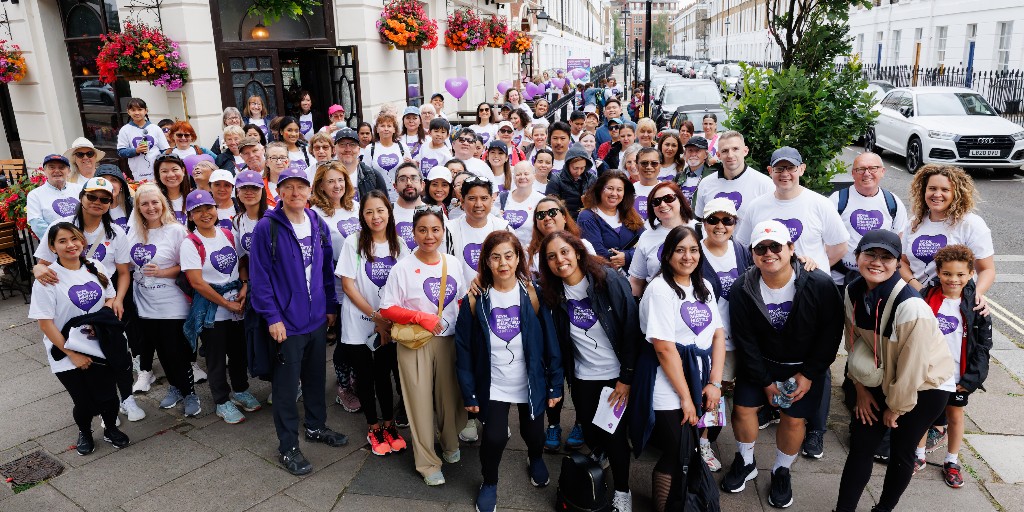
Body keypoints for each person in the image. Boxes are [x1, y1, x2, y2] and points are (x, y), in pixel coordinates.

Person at [721, 220, 843, 508]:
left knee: (793, 419)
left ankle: (781, 469)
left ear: (791, 249)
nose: (768, 253)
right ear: (752, 254)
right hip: (760, 364)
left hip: (803, 367)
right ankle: (746, 460)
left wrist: (810, 374)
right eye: (760, 248)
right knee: (742, 410)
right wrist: (764, 382)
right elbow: (745, 339)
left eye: (775, 246)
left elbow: (831, 333)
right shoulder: (742, 288)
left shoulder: (820, 284)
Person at [834, 230, 954, 512]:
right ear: (857, 257)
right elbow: (853, 344)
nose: (877, 262)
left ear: (898, 262)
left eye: (886, 257)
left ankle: (883, 509)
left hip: (925, 385)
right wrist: (860, 389)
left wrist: (896, 408)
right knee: (861, 446)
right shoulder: (852, 291)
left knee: (901, 450)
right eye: (870, 254)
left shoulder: (912, 307)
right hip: (884, 371)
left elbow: (913, 369)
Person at [249, 167, 350, 475]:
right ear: (279, 192)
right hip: (287, 323)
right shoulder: (268, 228)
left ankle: (316, 426)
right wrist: (273, 317)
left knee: (316, 377)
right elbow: (260, 278)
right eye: (288, 187)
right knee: (286, 386)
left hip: (316, 318)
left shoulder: (316, 222)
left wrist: (330, 305)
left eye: (300, 187)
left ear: (309, 191)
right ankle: (288, 446)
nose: (295, 193)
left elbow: (324, 269)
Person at [455, 231, 563, 512]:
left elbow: (551, 341)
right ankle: (489, 481)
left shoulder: (533, 294)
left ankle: (535, 458)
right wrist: (470, 392)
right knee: (494, 438)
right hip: (493, 383)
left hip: (529, 380)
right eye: (495, 257)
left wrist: (555, 384)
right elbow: (463, 349)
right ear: (486, 262)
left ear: (518, 258)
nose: (503, 263)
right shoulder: (475, 299)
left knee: (535, 434)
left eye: (509, 255)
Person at [537, 231, 639, 512]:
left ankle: (622, 491)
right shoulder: (553, 293)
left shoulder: (609, 281)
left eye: (565, 252)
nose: (560, 260)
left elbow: (632, 332)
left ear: (578, 252)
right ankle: (602, 457)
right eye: (552, 256)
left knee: (615, 436)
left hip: (615, 374)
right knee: (592, 434)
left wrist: (626, 378)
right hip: (582, 376)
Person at [631, 225, 725, 512]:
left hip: (697, 376)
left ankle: (674, 502)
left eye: (694, 249)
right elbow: (664, 348)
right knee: (677, 447)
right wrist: (686, 398)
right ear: (667, 254)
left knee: (684, 449)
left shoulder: (704, 287)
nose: (688, 256)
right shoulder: (660, 290)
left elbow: (718, 334)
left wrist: (715, 383)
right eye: (680, 250)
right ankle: (667, 505)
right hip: (666, 381)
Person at [33, 177, 140, 421]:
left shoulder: (116, 232)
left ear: (110, 204)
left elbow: (123, 272)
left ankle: (127, 398)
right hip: (72, 303)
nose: (97, 202)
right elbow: (42, 264)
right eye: (91, 196)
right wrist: (37, 269)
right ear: (81, 197)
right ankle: (105, 408)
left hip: (105, 300)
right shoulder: (63, 226)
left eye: (104, 199)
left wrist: (118, 299)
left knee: (119, 355)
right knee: (90, 360)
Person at [379, 205, 469, 486]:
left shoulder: (452, 263)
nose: (429, 236)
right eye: (422, 230)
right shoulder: (402, 268)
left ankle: (450, 442)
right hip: (415, 343)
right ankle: (427, 462)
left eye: (435, 229)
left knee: (450, 398)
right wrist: (420, 317)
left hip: (450, 340)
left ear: (443, 231)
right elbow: (387, 308)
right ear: (413, 233)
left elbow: (462, 299)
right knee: (418, 403)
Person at [29, 222, 130, 456]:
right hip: (64, 351)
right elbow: (45, 323)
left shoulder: (95, 266)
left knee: (107, 397)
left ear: (82, 242)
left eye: (74, 239)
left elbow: (110, 298)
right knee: (84, 402)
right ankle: (85, 431)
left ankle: (111, 428)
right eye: (62, 241)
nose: (70, 245)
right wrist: (72, 354)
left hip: (98, 346)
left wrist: (99, 323)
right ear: (52, 247)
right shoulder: (48, 278)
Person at [336, 190, 410, 456]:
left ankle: (389, 425)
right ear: (362, 215)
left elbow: (404, 287)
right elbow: (348, 285)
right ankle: (373, 426)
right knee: (365, 376)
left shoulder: (399, 245)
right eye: (369, 212)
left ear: (389, 213)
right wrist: (375, 316)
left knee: (384, 374)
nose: (375, 217)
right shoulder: (353, 242)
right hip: (359, 323)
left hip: (389, 325)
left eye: (380, 210)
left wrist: (387, 320)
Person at [916, 245, 992, 488]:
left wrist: (971, 379)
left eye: (960, 274)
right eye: (947, 273)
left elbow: (983, 346)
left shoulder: (977, 306)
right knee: (923, 415)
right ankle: (918, 456)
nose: (953, 279)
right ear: (938, 272)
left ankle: (952, 461)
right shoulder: (925, 299)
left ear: (971, 274)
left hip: (959, 374)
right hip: (929, 372)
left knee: (955, 416)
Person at [179, 189, 257, 425]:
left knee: (238, 352)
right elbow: (197, 282)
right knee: (215, 356)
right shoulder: (191, 243)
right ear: (190, 215)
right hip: (213, 309)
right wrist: (226, 303)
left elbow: (242, 263)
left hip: (238, 304)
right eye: (198, 211)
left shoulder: (227, 233)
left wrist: (244, 286)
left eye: (209, 208)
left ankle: (241, 389)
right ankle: (222, 400)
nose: (205, 214)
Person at [128, 184, 200, 417]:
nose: (151, 208)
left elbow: (187, 265)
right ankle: (175, 387)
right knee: (161, 350)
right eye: (145, 203)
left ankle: (190, 393)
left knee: (175, 350)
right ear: (138, 207)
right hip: (145, 304)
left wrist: (162, 272)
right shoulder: (133, 232)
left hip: (172, 302)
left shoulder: (176, 231)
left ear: (163, 204)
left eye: (155, 202)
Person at [695, 197, 754, 470]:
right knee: (705, 391)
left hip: (737, 337)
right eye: (713, 220)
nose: (720, 226)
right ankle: (698, 443)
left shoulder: (742, 251)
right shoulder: (694, 253)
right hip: (705, 338)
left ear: (735, 223)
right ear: (703, 223)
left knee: (720, 394)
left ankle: (705, 440)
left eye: (727, 220)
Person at [735, 146, 848, 272]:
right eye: (779, 169)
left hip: (811, 287)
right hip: (770, 286)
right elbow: (743, 246)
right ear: (770, 171)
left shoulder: (821, 204)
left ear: (801, 169)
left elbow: (840, 246)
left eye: (791, 168)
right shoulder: (756, 206)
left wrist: (816, 268)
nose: (785, 174)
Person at [901, 164, 994, 305]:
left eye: (945, 190)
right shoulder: (914, 223)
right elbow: (902, 262)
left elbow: (986, 269)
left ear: (956, 194)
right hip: (916, 300)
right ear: (923, 191)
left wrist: (976, 295)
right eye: (932, 188)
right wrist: (918, 289)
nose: (937, 194)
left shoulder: (971, 224)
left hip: (955, 303)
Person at [310, 161, 362, 411]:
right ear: (320, 184)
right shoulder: (315, 215)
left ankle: (356, 377)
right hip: (337, 288)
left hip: (362, 285)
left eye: (340, 179)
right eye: (330, 180)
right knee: (343, 339)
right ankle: (343, 386)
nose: (336, 185)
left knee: (360, 338)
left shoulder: (357, 209)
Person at [628, 182, 696, 296]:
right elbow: (636, 281)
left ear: (680, 200)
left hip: (695, 302)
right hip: (657, 302)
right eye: (656, 202)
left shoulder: (700, 229)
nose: (663, 205)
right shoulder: (647, 236)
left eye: (669, 198)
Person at [691, 131, 774, 219]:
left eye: (735, 149)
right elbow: (700, 220)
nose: (730, 155)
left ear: (745, 151)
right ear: (718, 155)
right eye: (725, 151)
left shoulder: (765, 185)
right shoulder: (705, 184)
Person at [577, 170, 645, 272]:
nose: (614, 193)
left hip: (635, 274)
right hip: (606, 277)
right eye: (610, 188)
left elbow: (645, 243)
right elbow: (597, 252)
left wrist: (627, 256)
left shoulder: (630, 213)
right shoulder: (587, 217)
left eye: (619, 190)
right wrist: (627, 255)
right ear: (600, 189)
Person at [28, 154, 83, 240]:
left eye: (61, 167)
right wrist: (59, 241)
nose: (57, 171)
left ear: (68, 171)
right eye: (52, 167)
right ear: (44, 171)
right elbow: (37, 224)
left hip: (82, 239)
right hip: (55, 244)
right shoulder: (35, 195)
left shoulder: (79, 189)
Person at [117, 98, 169, 182]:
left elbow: (165, 150)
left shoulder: (155, 128)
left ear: (146, 111)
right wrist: (136, 151)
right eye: (133, 110)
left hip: (158, 171)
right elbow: (121, 151)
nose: (137, 113)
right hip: (138, 172)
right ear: (128, 112)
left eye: (140, 109)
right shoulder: (125, 130)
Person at [361, 113, 408, 201]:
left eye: (389, 126)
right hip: (379, 197)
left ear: (394, 129)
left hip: (401, 196)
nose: (386, 129)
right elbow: (366, 174)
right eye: (382, 126)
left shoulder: (402, 147)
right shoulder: (370, 149)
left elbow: (409, 170)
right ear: (377, 129)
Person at [333, 127, 389, 201]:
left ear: (358, 150)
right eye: (342, 144)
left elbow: (385, 206)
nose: (348, 149)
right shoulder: (326, 176)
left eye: (352, 145)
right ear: (334, 149)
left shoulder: (372, 176)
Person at [500, 161, 546, 250]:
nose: (522, 177)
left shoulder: (541, 200)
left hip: (531, 252)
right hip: (506, 252)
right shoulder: (503, 197)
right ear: (513, 177)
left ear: (534, 176)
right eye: (518, 174)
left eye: (526, 174)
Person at [545, 143, 596, 220]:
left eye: (582, 168)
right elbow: (550, 207)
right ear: (568, 165)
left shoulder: (591, 178)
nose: (579, 172)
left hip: (588, 220)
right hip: (565, 221)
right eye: (575, 168)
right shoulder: (556, 180)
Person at [391, 162, 427, 251]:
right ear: (395, 186)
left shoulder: (434, 212)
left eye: (414, 178)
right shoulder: (386, 212)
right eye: (402, 179)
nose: (409, 183)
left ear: (422, 185)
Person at [153, 154, 192, 225]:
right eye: (164, 171)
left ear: (183, 171)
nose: (170, 175)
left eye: (175, 170)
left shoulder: (193, 197)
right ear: (158, 175)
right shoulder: (152, 200)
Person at [675, 136, 715, 204]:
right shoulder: (678, 177)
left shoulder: (713, 176)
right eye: (690, 150)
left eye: (697, 150)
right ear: (685, 154)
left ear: (705, 155)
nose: (693, 154)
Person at [95, 164, 133, 232]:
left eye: (114, 180)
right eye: (103, 180)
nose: (109, 184)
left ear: (121, 185)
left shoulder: (132, 207)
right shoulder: (88, 210)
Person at [277, 117, 314, 182]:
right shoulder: (276, 152)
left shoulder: (306, 150)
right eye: (289, 130)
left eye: (296, 131)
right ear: (281, 131)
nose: (293, 134)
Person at [632, 147, 662, 222]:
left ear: (660, 166)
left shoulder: (667, 190)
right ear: (636, 166)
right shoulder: (629, 190)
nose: (649, 167)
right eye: (644, 163)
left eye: (654, 163)